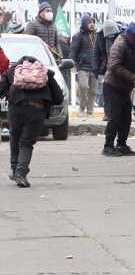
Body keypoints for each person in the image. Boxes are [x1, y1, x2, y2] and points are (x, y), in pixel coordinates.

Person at [0, 56, 63, 187]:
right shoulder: (45, 72)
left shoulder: (13, 71)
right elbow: (58, 98)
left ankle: (14, 169)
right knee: (26, 142)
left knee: (15, 137)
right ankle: (21, 173)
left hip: (16, 109)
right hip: (37, 109)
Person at [102, 23, 135, 157]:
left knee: (126, 118)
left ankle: (122, 144)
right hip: (112, 86)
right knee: (114, 117)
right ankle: (108, 146)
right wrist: (133, 78)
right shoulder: (119, 44)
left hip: (125, 87)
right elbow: (114, 66)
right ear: (130, 35)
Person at [70, 14, 99, 119]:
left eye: (93, 22)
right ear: (84, 24)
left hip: (95, 68)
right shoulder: (78, 36)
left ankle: (90, 111)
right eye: (89, 22)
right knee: (83, 86)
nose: (92, 25)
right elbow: (73, 51)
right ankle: (82, 109)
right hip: (83, 68)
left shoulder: (97, 35)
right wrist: (73, 64)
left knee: (93, 91)